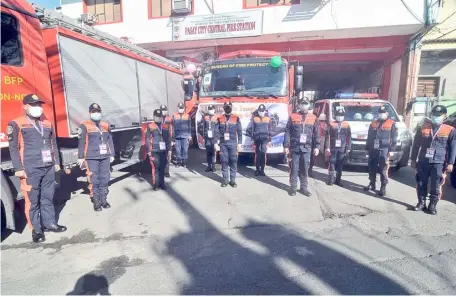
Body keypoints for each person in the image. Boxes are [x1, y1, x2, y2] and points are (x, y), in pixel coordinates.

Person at [7, 94, 67, 243]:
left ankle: (49, 223)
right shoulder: (16, 123)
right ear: (26, 107)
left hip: (48, 167)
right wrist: (18, 168)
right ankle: (36, 230)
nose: (38, 108)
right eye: (34, 105)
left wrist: (57, 162)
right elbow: (13, 147)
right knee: (33, 201)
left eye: (39, 105)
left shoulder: (47, 123)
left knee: (47, 197)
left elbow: (53, 144)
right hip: (30, 168)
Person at [411, 105, 455, 215]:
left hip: (438, 162)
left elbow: (453, 147)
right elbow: (416, 145)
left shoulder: (450, 130)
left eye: (439, 115)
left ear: (444, 116)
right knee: (421, 183)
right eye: (434, 115)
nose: (436, 117)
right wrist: (413, 159)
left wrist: (450, 163)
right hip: (423, 160)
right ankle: (421, 203)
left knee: (436, 185)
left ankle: (432, 205)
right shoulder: (423, 128)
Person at [77, 103, 115, 212]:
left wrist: (112, 154)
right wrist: (80, 157)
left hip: (105, 156)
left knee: (105, 178)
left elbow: (109, 140)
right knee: (94, 179)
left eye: (98, 111)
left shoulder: (105, 125)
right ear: (90, 113)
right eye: (94, 112)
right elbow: (82, 142)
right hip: (91, 157)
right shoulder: (84, 125)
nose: (96, 114)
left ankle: (104, 200)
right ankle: (96, 201)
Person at [283, 98, 320, 197]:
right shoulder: (293, 117)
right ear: (299, 105)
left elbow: (317, 133)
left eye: (306, 104)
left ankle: (304, 188)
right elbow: (287, 132)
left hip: (307, 147)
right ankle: (293, 188)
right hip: (295, 147)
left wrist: (317, 146)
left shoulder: (313, 118)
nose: (304, 106)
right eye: (302, 104)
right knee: (294, 168)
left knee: (305, 168)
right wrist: (286, 145)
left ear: (309, 105)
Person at [363, 106, 397, 196]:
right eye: (380, 112)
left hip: (384, 149)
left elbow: (394, 138)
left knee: (383, 169)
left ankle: (383, 186)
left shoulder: (391, 123)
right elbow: (369, 137)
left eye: (383, 112)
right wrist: (367, 148)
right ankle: (372, 183)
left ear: (387, 113)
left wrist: (392, 149)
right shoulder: (373, 123)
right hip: (373, 148)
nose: (381, 114)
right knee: (371, 167)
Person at [215, 102, 242, 187]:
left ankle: (233, 181)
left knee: (233, 162)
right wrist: (216, 142)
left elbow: (240, 132)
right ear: (223, 108)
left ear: (231, 108)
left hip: (233, 143)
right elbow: (216, 131)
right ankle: (225, 180)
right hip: (223, 144)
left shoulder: (236, 118)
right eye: (226, 107)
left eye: (229, 107)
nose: (227, 108)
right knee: (224, 162)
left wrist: (240, 143)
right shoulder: (219, 118)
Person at [145, 109, 172, 191]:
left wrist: (170, 149)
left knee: (162, 168)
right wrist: (148, 151)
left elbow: (168, 139)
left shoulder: (165, 126)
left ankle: (162, 184)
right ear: (154, 117)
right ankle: (156, 185)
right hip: (155, 150)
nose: (158, 118)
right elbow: (147, 139)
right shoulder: (150, 126)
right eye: (156, 117)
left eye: (159, 117)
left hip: (164, 151)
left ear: (161, 117)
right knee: (156, 168)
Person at [324, 108, 351, 186]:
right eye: (338, 115)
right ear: (336, 116)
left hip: (342, 148)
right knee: (332, 163)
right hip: (333, 147)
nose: (340, 117)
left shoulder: (346, 125)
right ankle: (331, 180)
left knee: (340, 165)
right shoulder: (332, 124)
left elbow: (349, 137)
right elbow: (327, 136)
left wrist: (348, 147)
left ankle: (338, 181)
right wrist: (327, 147)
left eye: (341, 115)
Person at [246, 104, 272, 176]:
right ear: (258, 111)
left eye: (262, 111)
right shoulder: (255, 119)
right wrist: (252, 139)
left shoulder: (268, 119)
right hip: (257, 139)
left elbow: (270, 130)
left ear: (264, 111)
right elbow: (252, 129)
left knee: (263, 153)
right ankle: (257, 169)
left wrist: (270, 140)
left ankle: (262, 170)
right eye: (260, 111)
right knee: (258, 154)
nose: (261, 112)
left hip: (265, 139)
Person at [198, 104, 218, 172]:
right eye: (209, 109)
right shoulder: (205, 117)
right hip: (207, 138)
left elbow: (218, 128)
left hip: (214, 138)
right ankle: (209, 166)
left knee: (213, 152)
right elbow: (202, 127)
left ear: (214, 110)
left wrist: (217, 139)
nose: (211, 110)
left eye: (212, 109)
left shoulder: (217, 117)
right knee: (208, 152)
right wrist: (203, 136)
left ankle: (213, 166)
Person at [172, 102, 192, 167]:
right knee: (178, 150)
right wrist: (172, 136)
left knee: (185, 150)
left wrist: (190, 135)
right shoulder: (174, 115)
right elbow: (172, 126)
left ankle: (184, 162)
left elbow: (189, 126)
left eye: (182, 108)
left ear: (184, 108)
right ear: (178, 108)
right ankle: (178, 162)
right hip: (177, 136)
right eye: (180, 108)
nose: (181, 109)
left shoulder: (187, 115)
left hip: (185, 136)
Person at [160, 104, 173, 177]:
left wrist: (172, 139)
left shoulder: (169, 119)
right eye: (162, 110)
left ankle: (167, 171)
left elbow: (172, 129)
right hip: (160, 141)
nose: (163, 112)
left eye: (164, 110)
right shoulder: (157, 119)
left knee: (168, 156)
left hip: (168, 140)